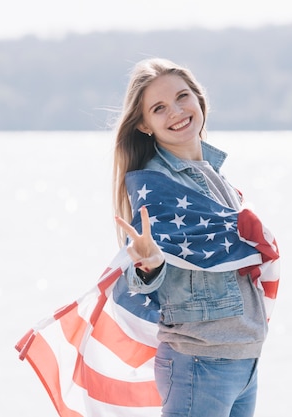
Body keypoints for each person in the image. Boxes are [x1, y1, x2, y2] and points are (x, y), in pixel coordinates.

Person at [111, 58, 279, 417]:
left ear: (199, 99)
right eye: (159, 108)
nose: (176, 111)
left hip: (244, 360)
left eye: (182, 97)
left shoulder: (216, 179)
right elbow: (139, 277)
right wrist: (148, 266)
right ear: (144, 124)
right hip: (200, 363)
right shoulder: (157, 189)